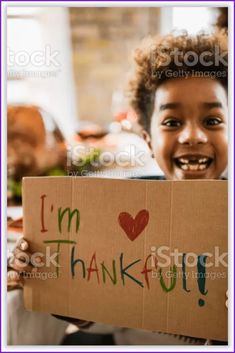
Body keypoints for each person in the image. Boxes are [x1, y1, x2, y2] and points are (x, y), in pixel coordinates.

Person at [7, 30, 228, 345]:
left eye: (213, 121)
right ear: (148, 140)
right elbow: (112, 312)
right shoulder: (117, 211)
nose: (193, 136)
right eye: (171, 122)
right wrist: (70, 302)